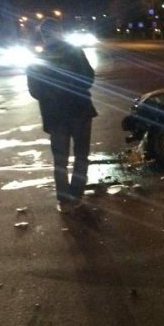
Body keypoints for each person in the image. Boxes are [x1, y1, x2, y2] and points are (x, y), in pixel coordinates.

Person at [27, 18, 98, 214]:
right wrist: (73, 89)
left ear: (43, 35)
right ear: (60, 32)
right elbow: (89, 78)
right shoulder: (75, 52)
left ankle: (64, 199)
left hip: (55, 116)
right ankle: (76, 196)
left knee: (60, 159)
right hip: (80, 111)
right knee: (81, 156)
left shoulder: (37, 60)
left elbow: (34, 90)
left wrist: (52, 97)